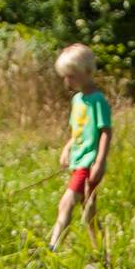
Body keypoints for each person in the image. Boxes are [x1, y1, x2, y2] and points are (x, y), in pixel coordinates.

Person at [47, 43, 113, 251]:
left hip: (89, 162)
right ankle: (101, 250)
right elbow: (79, 132)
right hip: (78, 160)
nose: (68, 81)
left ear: (86, 72)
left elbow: (105, 131)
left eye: (72, 76)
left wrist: (100, 161)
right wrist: (67, 148)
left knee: (66, 203)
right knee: (89, 211)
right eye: (65, 76)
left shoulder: (97, 101)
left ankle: (53, 248)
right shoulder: (78, 100)